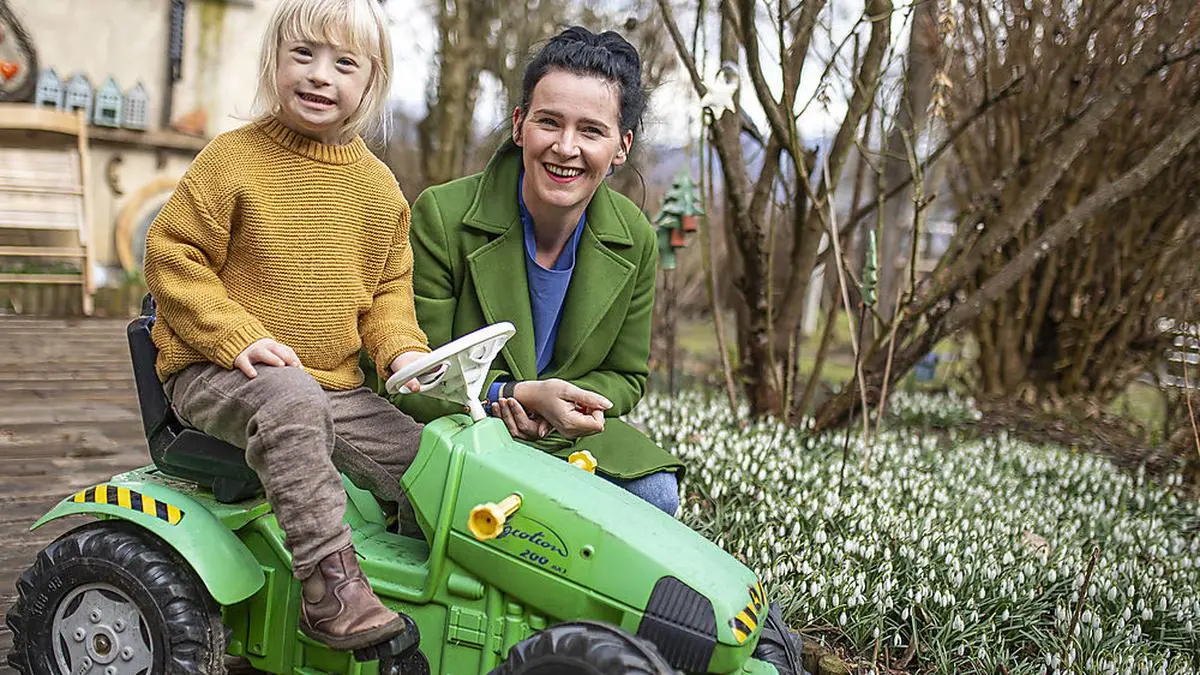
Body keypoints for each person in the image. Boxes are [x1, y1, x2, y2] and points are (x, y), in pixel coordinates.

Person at [143, 0, 427, 652]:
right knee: (292, 396)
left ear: (370, 80)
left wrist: (404, 352)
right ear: (275, 60)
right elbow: (172, 256)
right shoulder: (232, 161)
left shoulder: (379, 191)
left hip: (330, 386)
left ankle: (430, 574)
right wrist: (236, 335)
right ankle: (330, 590)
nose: (320, 74)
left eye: (343, 62)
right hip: (219, 372)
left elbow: (388, 293)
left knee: (424, 457)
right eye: (304, 54)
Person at [397, 26, 685, 515]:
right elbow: (415, 378)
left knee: (655, 495)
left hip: (564, 439)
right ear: (519, 125)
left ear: (621, 147)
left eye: (591, 130)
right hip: (465, 429)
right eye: (549, 122)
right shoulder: (441, 216)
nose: (566, 147)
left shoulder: (635, 236)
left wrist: (563, 409)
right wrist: (512, 396)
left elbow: (626, 376)